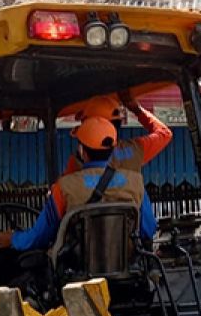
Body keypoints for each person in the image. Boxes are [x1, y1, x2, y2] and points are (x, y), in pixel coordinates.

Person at [0, 109, 170, 252]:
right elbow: (148, 230)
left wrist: (12, 239)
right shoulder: (135, 182)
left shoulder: (63, 188)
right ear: (113, 148)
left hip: (76, 276)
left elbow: (39, 237)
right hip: (128, 271)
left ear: (82, 151)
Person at [61, 94, 172, 241]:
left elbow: (62, 204)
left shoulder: (77, 160)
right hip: (130, 245)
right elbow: (164, 134)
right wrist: (137, 110)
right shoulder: (136, 150)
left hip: (90, 244)